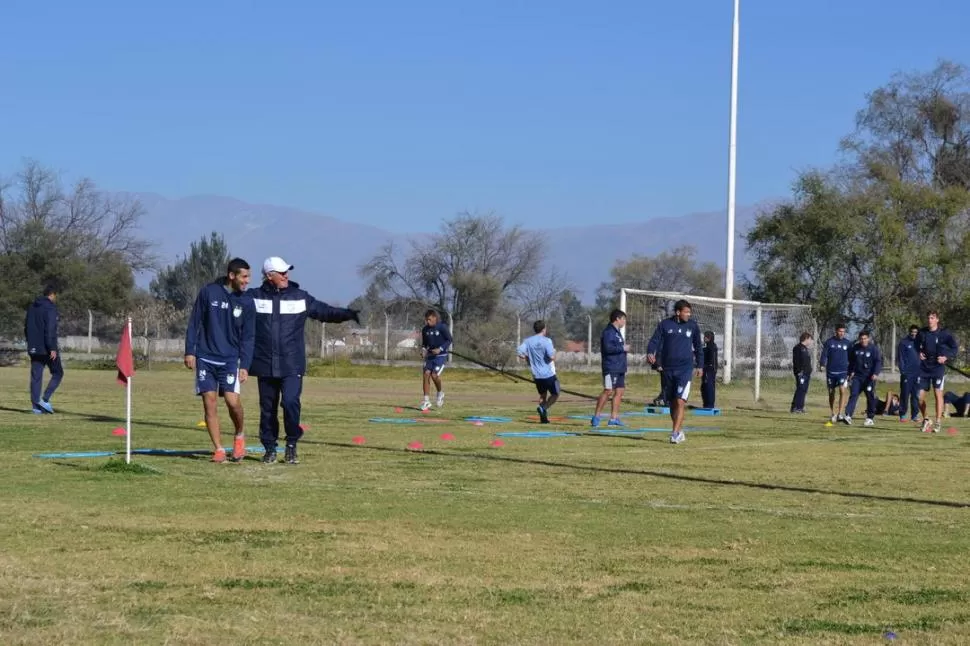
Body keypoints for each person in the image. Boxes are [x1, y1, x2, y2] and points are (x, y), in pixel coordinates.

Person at [248, 257, 360, 464]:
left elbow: (325, 311)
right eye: (281, 273)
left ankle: (291, 444)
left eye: (286, 271)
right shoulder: (253, 297)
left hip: (292, 364)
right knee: (267, 409)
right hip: (264, 364)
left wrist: (348, 314)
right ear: (269, 276)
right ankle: (270, 448)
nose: (286, 275)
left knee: (290, 402)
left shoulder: (300, 297)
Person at [184, 258, 256, 463]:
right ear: (232, 275)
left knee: (233, 403)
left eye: (249, 277)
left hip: (231, 360)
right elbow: (194, 322)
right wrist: (190, 351)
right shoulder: (209, 292)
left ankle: (239, 434)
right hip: (205, 357)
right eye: (244, 276)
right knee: (210, 403)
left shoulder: (247, 302)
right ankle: (219, 449)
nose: (247, 281)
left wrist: (246, 365)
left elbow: (249, 337)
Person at [646, 299, 704, 445]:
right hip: (667, 369)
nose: (688, 315)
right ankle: (678, 430)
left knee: (680, 401)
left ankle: (674, 433)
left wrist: (700, 366)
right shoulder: (665, 325)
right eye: (686, 312)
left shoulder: (693, 326)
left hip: (685, 369)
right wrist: (650, 352)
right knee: (672, 402)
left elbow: (698, 347)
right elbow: (654, 340)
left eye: (690, 312)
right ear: (678, 312)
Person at [915, 310, 958, 434]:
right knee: (919, 397)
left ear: (937, 320)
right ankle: (926, 419)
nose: (930, 320)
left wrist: (945, 357)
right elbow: (916, 345)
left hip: (938, 367)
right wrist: (919, 352)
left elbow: (954, 348)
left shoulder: (944, 334)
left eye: (932, 318)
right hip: (924, 368)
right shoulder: (922, 333)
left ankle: (938, 422)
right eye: (928, 318)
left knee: (937, 394)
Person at [24, 284, 63, 414]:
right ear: (52, 295)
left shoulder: (31, 307)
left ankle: (35, 407)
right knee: (58, 373)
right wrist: (52, 348)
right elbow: (50, 329)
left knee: (36, 377)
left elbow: (26, 327)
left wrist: (30, 344)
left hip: (34, 348)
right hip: (47, 348)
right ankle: (45, 399)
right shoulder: (50, 308)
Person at [591, 309, 629, 428]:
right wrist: (622, 348)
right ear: (617, 319)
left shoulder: (617, 332)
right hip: (610, 367)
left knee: (620, 391)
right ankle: (596, 416)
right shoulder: (608, 332)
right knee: (608, 390)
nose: (624, 322)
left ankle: (614, 418)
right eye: (623, 319)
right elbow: (608, 348)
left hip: (620, 367)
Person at [517, 320, 559, 424]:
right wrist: (554, 354)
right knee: (556, 393)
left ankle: (543, 419)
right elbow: (551, 357)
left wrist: (527, 358)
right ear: (544, 329)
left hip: (537, 375)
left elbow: (519, 352)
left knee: (543, 395)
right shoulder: (547, 341)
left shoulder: (528, 341)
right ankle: (544, 408)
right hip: (548, 374)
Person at [844, 330, 882, 426]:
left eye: (865, 339)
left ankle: (870, 418)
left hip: (869, 378)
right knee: (854, 394)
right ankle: (848, 415)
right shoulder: (855, 348)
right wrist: (850, 372)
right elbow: (851, 362)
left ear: (868, 339)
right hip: (857, 377)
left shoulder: (873, 349)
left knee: (870, 397)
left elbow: (878, 362)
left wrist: (875, 373)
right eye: (861, 339)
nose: (863, 340)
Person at [419, 309, 452, 411]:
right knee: (426, 374)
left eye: (429, 320)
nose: (427, 322)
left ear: (434, 318)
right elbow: (424, 344)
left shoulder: (442, 327)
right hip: (430, 356)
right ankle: (426, 401)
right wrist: (423, 350)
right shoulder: (425, 330)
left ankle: (440, 393)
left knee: (434, 375)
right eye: (426, 320)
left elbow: (449, 340)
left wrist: (440, 349)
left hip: (441, 356)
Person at [820, 324, 851, 426]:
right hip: (831, 372)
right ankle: (833, 413)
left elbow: (851, 357)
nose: (841, 333)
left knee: (842, 390)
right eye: (840, 331)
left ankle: (840, 413)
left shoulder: (848, 343)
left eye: (843, 331)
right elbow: (824, 354)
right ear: (836, 331)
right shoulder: (829, 342)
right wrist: (822, 364)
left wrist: (851, 370)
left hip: (843, 372)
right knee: (831, 392)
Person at [896, 324, 920, 423]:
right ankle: (902, 414)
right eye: (912, 332)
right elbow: (900, 358)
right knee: (905, 394)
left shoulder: (920, 343)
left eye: (916, 332)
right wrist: (903, 371)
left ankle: (914, 415)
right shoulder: (904, 343)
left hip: (918, 373)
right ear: (909, 332)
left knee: (916, 395)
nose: (914, 334)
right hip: (907, 374)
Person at [790, 332, 814, 414]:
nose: (811, 341)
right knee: (800, 389)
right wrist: (799, 372)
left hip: (807, 373)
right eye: (810, 339)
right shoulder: (798, 348)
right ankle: (796, 407)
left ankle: (800, 407)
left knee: (804, 390)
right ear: (806, 338)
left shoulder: (805, 349)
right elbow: (796, 361)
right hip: (801, 373)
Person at [701, 331, 718, 409]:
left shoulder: (711, 347)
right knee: (704, 386)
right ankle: (706, 404)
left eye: (706, 337)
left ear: (709, 338)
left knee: (708, 386)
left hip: (709, 369)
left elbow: (711, 360)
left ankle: (709, 404)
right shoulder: (708, 347)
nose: (704, 338)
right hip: (708, 369)